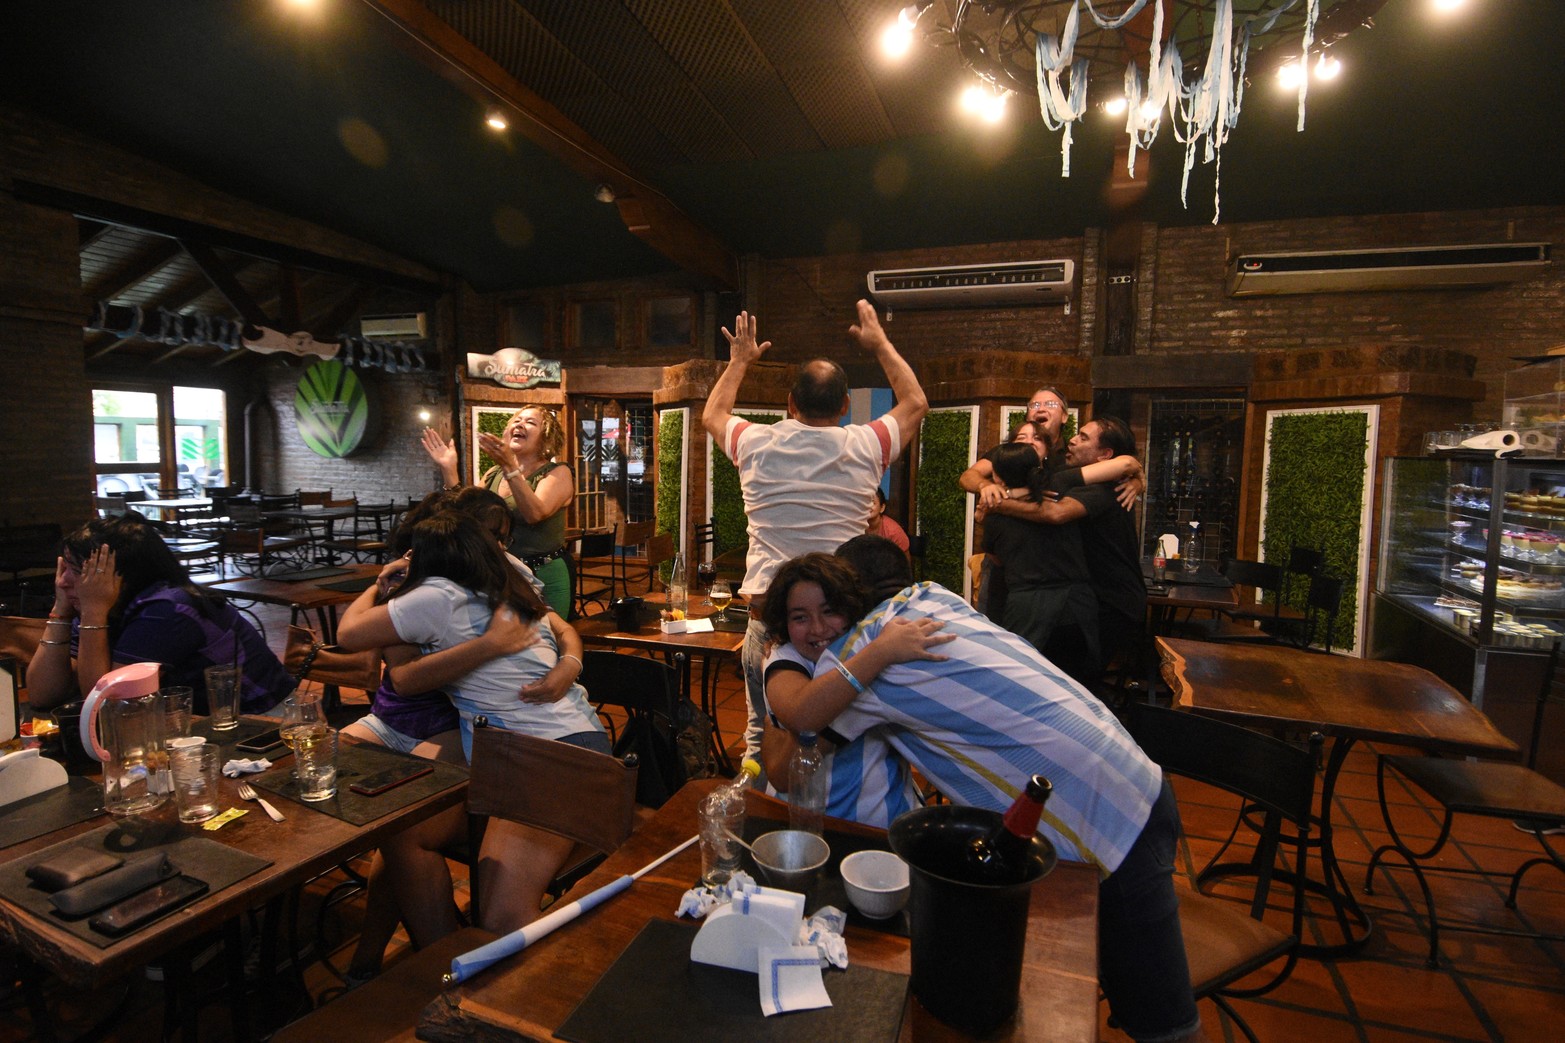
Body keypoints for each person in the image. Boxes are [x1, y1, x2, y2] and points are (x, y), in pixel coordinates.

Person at [762, 537, 1204, 1043]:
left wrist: (777, 679)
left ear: (852, 598)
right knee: (1110, 975)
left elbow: (790, 755)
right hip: (1134, 778)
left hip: (1104, 824)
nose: (821, 627)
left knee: (1165, 1028)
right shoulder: (938, 599)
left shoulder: (870, 652)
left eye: (831, 609)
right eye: (803, 616)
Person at [336, 510, 604, 941]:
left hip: (548, 754)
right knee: (404, 832)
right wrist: (566, 660)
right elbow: (559, 625)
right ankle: (446, 962)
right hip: (554, 743)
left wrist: (380, 582)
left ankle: (551, 979)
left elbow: (348, 634)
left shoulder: (437, 596)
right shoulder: (508, 577)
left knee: (503, 918)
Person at [702, 300, 927, 768]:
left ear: (790, 404)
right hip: (838, 624)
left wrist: (739, 361)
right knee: (842, 744)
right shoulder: (867, 443)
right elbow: (915, 403)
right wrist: (880, 343)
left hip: (770, 619)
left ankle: (763, 812)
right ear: (845, 407)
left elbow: (713, 415)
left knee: (762, 739)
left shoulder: (755, 442)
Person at [27, 514, 294, 715]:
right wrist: (60, 611)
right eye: (65, 569)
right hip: (199, 726)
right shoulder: (101, 603)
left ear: (120, 575)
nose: (62, 582)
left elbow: (107, 706)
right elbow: (41, 695)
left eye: (77, 571)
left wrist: (93, 613)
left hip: (263, 722)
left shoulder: (167, 609)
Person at [987, 416, 1146, 681]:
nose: (1072, 440)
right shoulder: (1068, 477)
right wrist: (992, 490)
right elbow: (971, 476)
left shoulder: (1107, 487)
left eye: (1083, 438)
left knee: (1078, 679)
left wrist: (997, 505)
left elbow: (1056, 514)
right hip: (1091, 594)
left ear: (1105, 456)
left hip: (1114, 598)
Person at [420, 405, 573, 616]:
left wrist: (510, 467)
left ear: (546, 437)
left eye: (530, 422)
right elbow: (464, 515)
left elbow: (535, 514)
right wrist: (449, 470)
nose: (520, 424)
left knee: (548, 633)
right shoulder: (494, 473)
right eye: (517, 420)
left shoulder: (557, 472)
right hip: (499, 571)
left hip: (545, 574)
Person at [981, 443, 1101, 685]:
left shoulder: (993, 516)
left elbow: (996, 559)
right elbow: (1123, 465)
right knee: (1075, 683)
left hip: (1027, 608)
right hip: (1076, 605)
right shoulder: (1059, 496)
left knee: (1026, 682)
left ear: (997, 477)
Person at [865, 487, 910, 553]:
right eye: (865, 502)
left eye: (873, 503)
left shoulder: (893, 532)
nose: (868, 506)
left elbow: (904, 558)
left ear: (882, 508)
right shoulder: (855, 524)